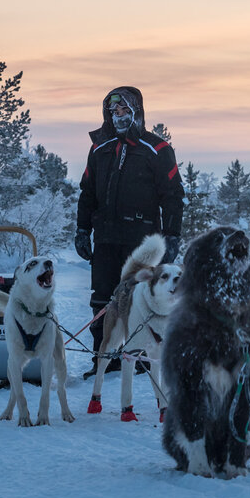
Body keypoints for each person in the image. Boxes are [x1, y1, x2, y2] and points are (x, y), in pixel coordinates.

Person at [76, 86, 184, 377]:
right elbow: (87, 192)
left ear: (136, 111)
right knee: (103, 299)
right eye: (114, 111)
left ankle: (143, 359)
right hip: (106, 237)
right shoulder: (99, 148)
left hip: (142, 241)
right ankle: (104, 359)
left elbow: (173, 196)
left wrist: (172, 235)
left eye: (124, 110)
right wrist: (82, 230)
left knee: (141, 298)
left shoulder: (158, 149)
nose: (118, 115)